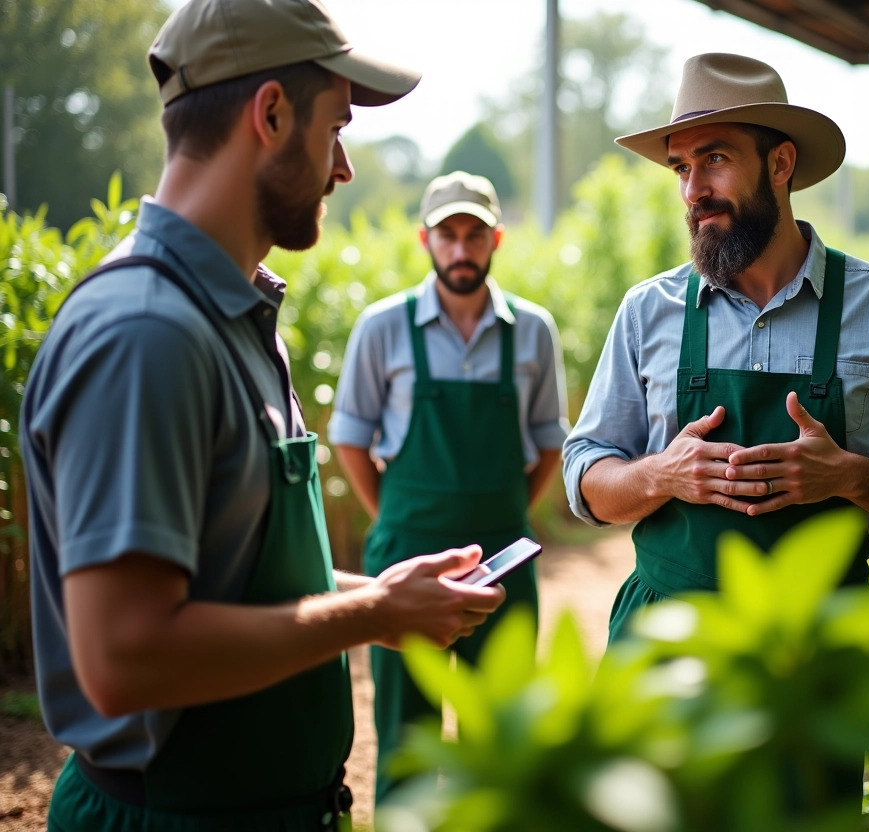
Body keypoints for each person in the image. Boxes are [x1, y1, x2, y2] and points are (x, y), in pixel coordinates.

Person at [18, 1, 506, 830]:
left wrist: (379, 594)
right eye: (336, 126)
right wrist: (372, 615)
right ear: (271, 113)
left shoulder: (226, 313)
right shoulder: (148, 333)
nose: (344, 166)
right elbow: (125, 656)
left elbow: (235, 579)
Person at [563, 51, 869, 641]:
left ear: (780, 163)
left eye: (715, 159)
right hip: (665, 648)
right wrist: (662, 476)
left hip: (821, 654)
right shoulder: (647, 312)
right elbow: (586, 480)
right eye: (680, 169)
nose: (694, 190)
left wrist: (850, 476)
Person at [329, 170, 569, 802]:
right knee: (408, 739)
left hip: (505, 562)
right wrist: (395, 515)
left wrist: (512, 509)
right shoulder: (383, 327)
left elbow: (550, 441)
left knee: (502, 734)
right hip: (406, 554)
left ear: (496, 239)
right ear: (425, 240)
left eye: (474, 235)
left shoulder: (532, 330)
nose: (461, 250)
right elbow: (349, 437)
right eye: (447, 236)